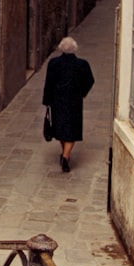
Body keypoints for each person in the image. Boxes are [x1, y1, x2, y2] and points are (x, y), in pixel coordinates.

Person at [42, 36, 94, 172]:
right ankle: (65, 157)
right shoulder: (82, 65)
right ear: (74, 49)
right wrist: (81, 93)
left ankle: (65, 155)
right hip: (74, 102)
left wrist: (47, 101)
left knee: (60, 128)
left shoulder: (53, 64)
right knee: (72, 129)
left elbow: (49, 83)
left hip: (57, 101)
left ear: (61, 48)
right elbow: (90, 81)